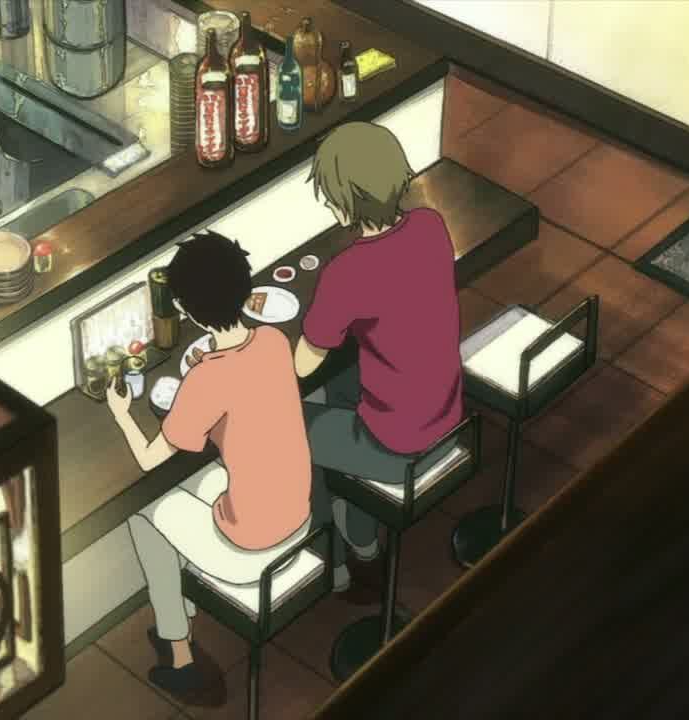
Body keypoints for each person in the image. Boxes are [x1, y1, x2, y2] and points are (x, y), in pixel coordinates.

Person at [105, 230, 312, 695]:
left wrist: (121, 414)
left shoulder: (206, 377)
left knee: (143, 513)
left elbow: (149, 460)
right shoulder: (274, 340)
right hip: (300, 517)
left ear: (186, 309)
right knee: (191, 486)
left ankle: (180, 652)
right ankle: (183, 601)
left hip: (252, 547)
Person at [295, 121, 464, 593]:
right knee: (343, 382)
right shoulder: (431, 225)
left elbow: (301, 365)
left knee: (292, 425)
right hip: (448, 419)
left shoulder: (348, 272)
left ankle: (343, 559)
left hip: (397, 447)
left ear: (345, 200)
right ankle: (354, 533)